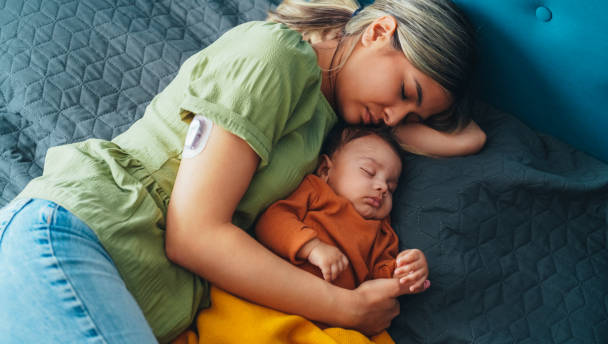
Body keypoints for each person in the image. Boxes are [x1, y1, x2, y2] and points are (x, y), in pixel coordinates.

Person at [0, 0, 485, 343]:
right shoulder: (274, 55)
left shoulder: (328, 129)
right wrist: (345, 308)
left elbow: (469, 140)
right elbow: (193, 234)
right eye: (405, 92)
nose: (397, 118)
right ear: (378, 32)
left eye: (412, 117)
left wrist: (408, 115)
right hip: (83, 235)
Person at [255, 125, 431, 295]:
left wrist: (406, 271)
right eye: (369, 171)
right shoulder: (316, 191)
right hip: (277, 294)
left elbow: (380, 275)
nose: (383, 188)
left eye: (391, 187)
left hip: (331, 319)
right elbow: (271, 222)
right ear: (325, 170)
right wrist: (312, 247)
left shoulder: (382, 231)